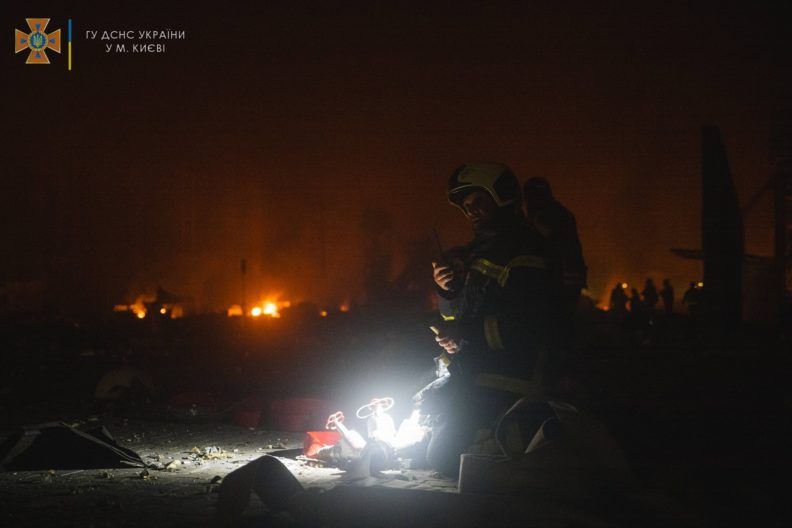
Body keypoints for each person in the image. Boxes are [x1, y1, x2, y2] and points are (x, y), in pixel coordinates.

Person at [423, 162, 563, 477]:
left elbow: (526, 326)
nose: (470, 211)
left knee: (442, 458)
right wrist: (447, 291)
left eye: (478, 201)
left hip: (508, 376)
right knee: (420, 425)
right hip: (471, 369)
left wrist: (464, 332)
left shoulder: (525, 250)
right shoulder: (476, 253)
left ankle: (505, 444)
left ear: (502, 197)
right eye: (465, 206)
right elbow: (456, 318)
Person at [523, 177, 587, 316]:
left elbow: (551, 241)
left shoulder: (547, 215)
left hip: (560, 277)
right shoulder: (558, 212)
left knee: (554, 319)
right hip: (567, 276)